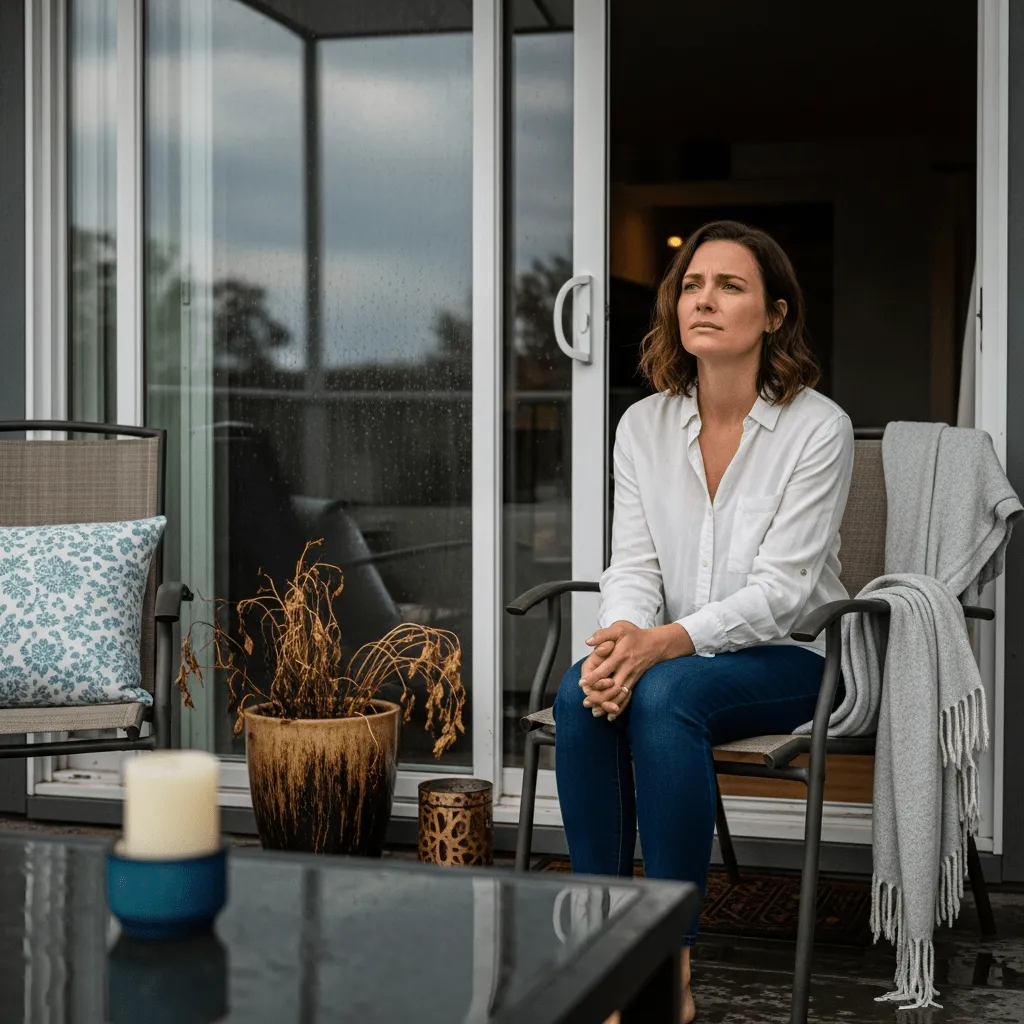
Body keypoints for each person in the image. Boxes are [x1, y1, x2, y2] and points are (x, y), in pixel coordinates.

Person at [554, 220, 854, 1023]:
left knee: (663, 696)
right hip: (676, 655)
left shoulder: (817, 428)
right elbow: (634, 566)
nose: (705, 300)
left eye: (730, 286)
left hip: (790, 660)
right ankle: (603, 946)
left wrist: (660, 649)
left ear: (776, 314)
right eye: (691, 284)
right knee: (583, 691)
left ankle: (667, 970)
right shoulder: (642, 426)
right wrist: (621, 641)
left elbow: (786, 593)